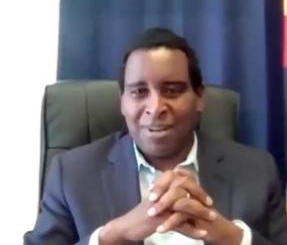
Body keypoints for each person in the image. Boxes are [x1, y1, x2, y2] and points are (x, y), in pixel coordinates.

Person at [24, 28, 287, 245]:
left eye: (172, 90)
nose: (156, 107)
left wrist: (234, 238)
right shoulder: (72, 173)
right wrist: (113, 236)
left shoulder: (257, 171)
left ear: (199, 98)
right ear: (122, 103)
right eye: (139, 92)